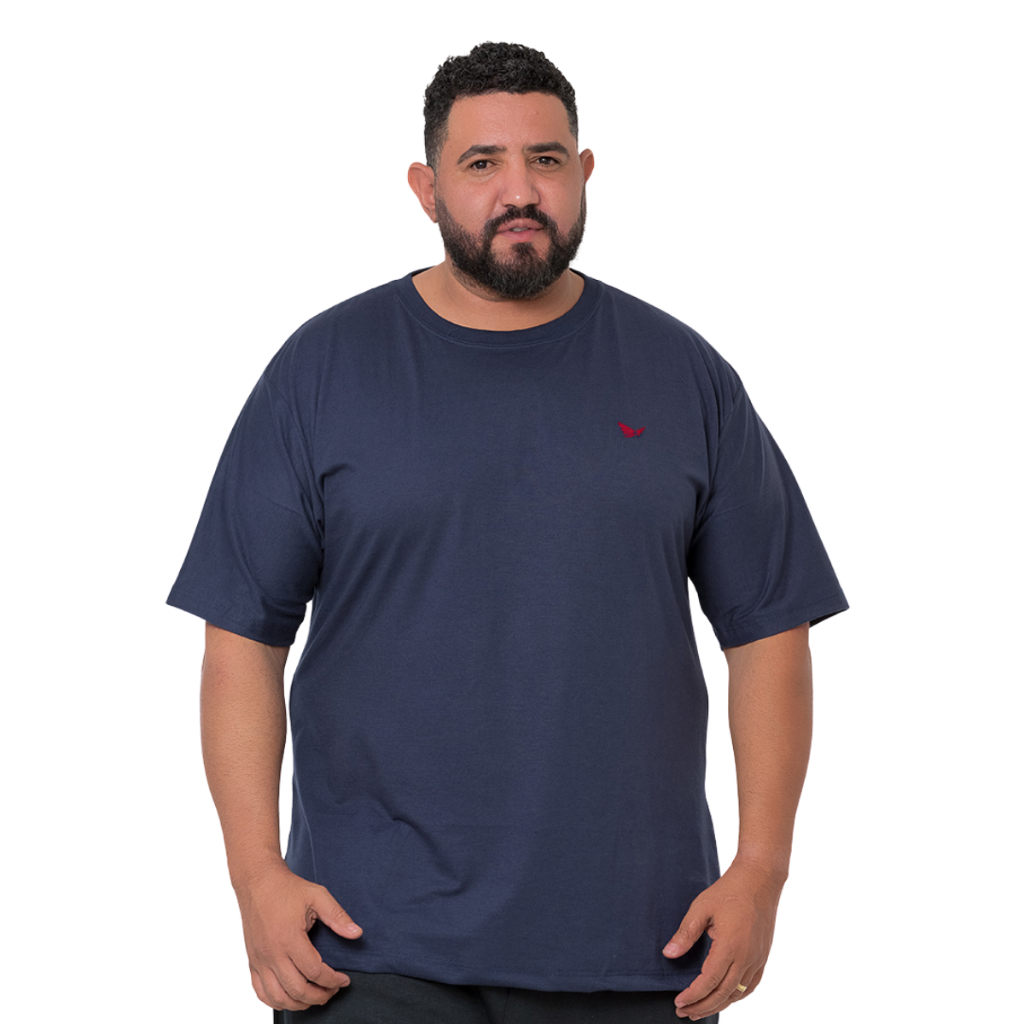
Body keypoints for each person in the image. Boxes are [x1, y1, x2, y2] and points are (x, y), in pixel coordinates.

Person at [169, 41, 848, 1024]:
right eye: (482, 162)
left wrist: (761, 869)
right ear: (427, 187)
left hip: (639, 945)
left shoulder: (682, 375)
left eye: (546, 159)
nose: (519, 190)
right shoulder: (323, 371)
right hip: (367, 946)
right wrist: (253, 874)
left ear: (584, 172)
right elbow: (240, 638)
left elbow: (770, 628)